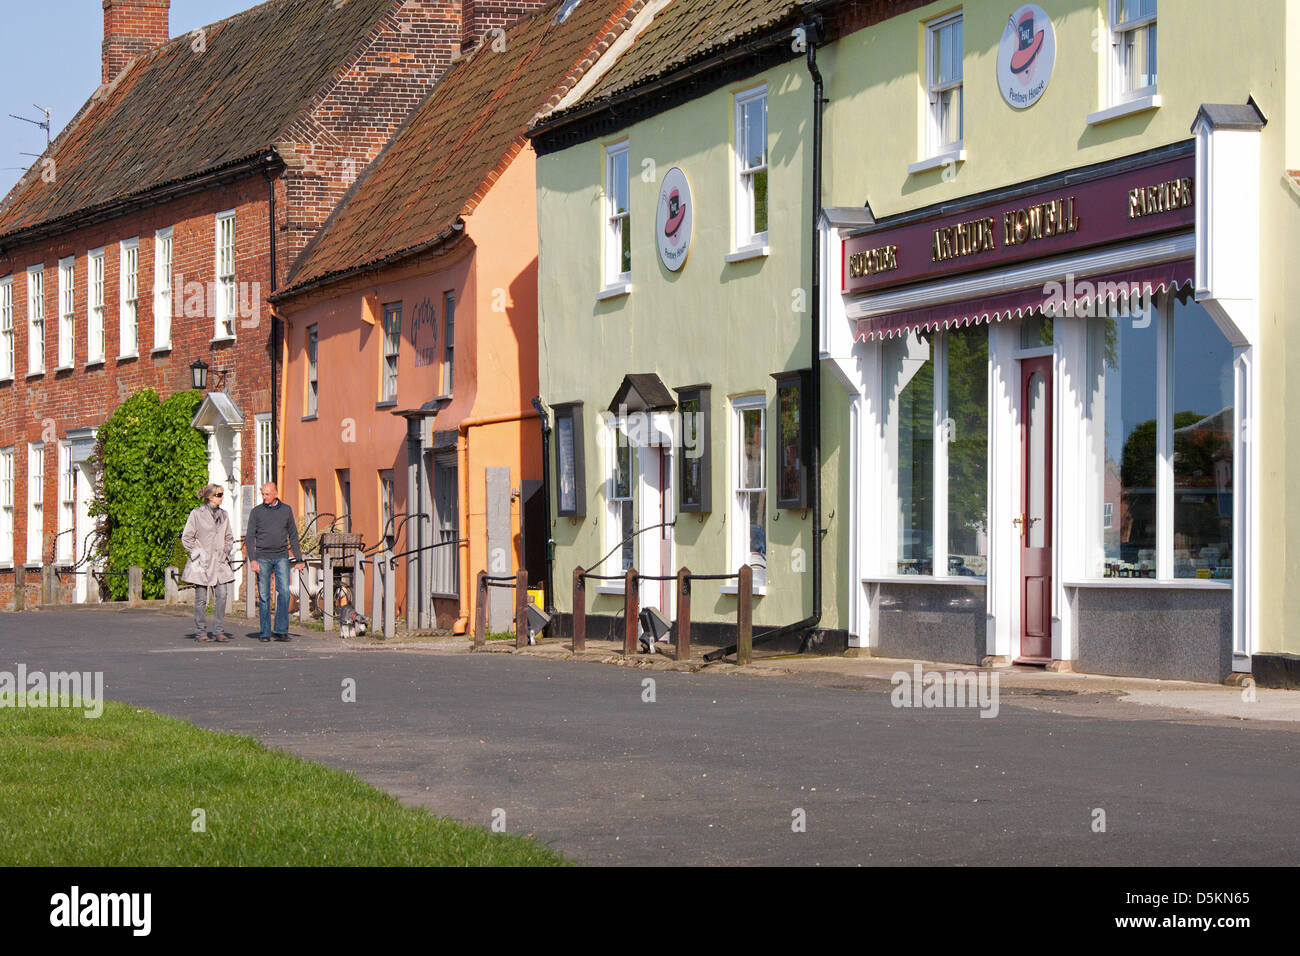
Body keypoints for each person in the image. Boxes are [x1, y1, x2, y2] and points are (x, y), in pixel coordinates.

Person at [245, 482, 306, 642]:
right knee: (264, 596)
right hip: (263, 557)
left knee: (284, 592)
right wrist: (252, 560)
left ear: (275, 494)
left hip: (281, 556)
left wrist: (299, 559)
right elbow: (250, 537)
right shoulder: (256, 512)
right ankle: (265, 632)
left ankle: (280, 630)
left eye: (267, 494)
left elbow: (293, 535)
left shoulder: (286, 510)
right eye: (263, 494)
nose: (264, 497)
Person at [181, 483, 236, 643]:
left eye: (222, 494)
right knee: (201, 599)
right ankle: (200, 632)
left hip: (219, 562)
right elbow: (187, 537)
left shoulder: (224, 515)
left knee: (222, 595)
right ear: (210, 497)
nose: (222, 497)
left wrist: (225, 551)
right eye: (219, 495)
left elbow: (229, 537)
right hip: (202, 563)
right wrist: (198, 554)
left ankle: (219, 630)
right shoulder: (196, 514)